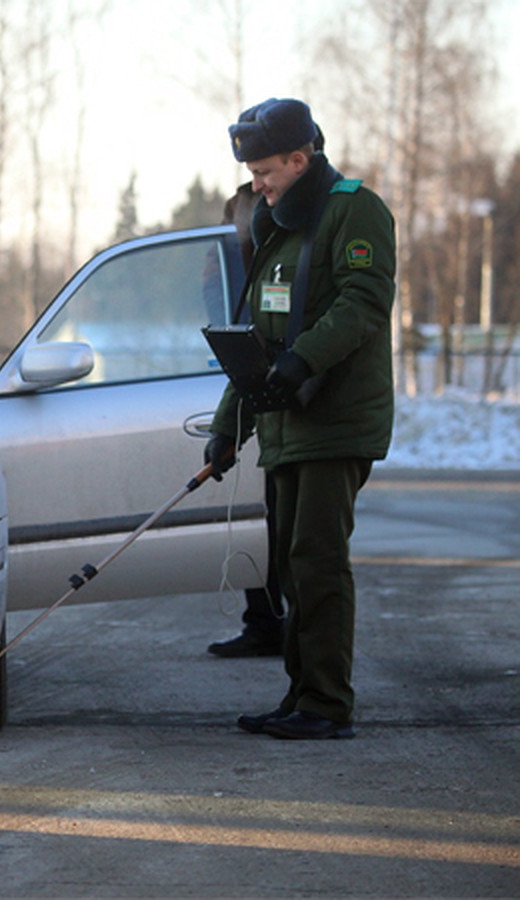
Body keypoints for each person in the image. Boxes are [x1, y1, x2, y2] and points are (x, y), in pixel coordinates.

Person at [205, 98, 396, 739]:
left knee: (316, 559)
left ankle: (326, 704)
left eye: (266, 172)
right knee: (289, 564)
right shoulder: (277, 225)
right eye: (253, 174)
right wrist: (230, 426)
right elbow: (258, 336)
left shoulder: (353, 209)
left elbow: (363, 301)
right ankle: (300, 694)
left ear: (300, 157)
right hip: (286, 426)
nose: (256, 185)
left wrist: (303, 360)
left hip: (334, 420)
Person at [207, 180, 284, 659]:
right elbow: (211, 285)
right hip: (244, 360)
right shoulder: (240, 203)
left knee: (288, 529)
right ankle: (265, 622)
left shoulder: (313, 219)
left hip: (284, 376)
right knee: (266, 520)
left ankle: (294, 640)